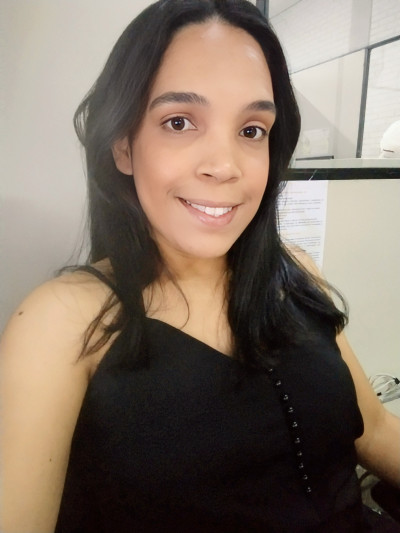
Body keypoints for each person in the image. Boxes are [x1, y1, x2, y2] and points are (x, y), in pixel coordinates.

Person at [1, 1, 400, 531]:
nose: (224, 166)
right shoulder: (62, 321)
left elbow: (374, 431)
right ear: (123, 145)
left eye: (252, 130)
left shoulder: (297, 272)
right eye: (179, 122)